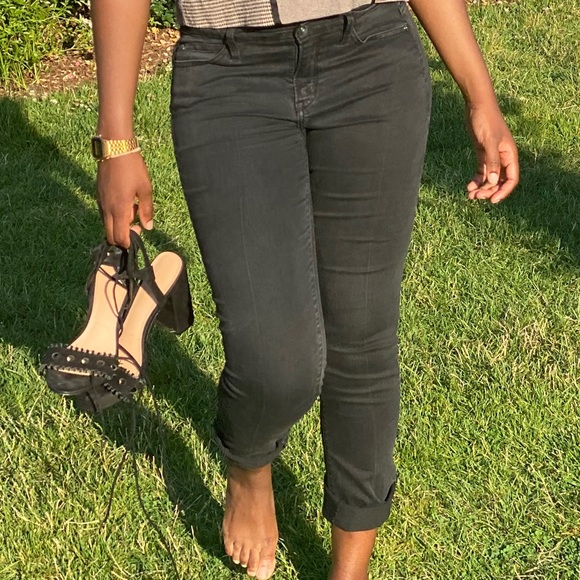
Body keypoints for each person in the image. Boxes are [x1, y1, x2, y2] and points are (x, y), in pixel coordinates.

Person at [90, 0, 519, 578]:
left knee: (361, 335)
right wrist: (116, 140)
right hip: (226, 74)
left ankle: (350, 569)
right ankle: (249, 467)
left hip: (371, 59)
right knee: (273, 359)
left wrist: (480, 95)